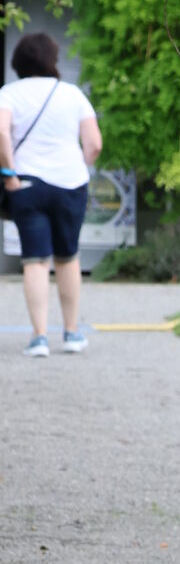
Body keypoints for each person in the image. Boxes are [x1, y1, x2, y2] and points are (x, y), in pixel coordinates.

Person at [0, 31, 102, 357]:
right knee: (68, 257)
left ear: (19, 62)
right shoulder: (73, 95)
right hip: (70, 183)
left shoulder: (8, 94)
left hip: (26, 183)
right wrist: (76, 167)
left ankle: (40, 337)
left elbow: (1, 131)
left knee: (35, 259)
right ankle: (72, 334)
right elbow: (95, 144)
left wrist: (9, 173)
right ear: (52, 60)